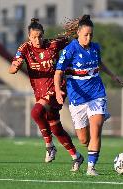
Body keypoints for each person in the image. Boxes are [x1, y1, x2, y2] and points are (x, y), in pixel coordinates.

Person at [9, 18, 84, 171]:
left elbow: (72, 38)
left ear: (43, 35)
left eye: (40, 36)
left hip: (56, 88)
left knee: (36, 112)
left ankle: (49, 146)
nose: (38, 40)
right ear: (29, 37)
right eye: (34, 37)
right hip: (40, 92)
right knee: (56, 128)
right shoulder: (24, 49)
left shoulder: (52, 45)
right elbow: (11, 68)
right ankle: (76, 156)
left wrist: (79, 28)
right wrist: (15, 67)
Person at [54, 15, 123, 176]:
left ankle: (91, 168)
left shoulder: (95, 47)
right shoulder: (69, 50)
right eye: (86, 34)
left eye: (91, 34)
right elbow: (58, 73)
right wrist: (58, 91)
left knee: (96, 129)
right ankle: (86, 155)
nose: (89, 37)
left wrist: (113, 75)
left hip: (97, 94)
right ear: (78, 33)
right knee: (84, 140)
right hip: (77, 99)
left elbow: (100, 62)